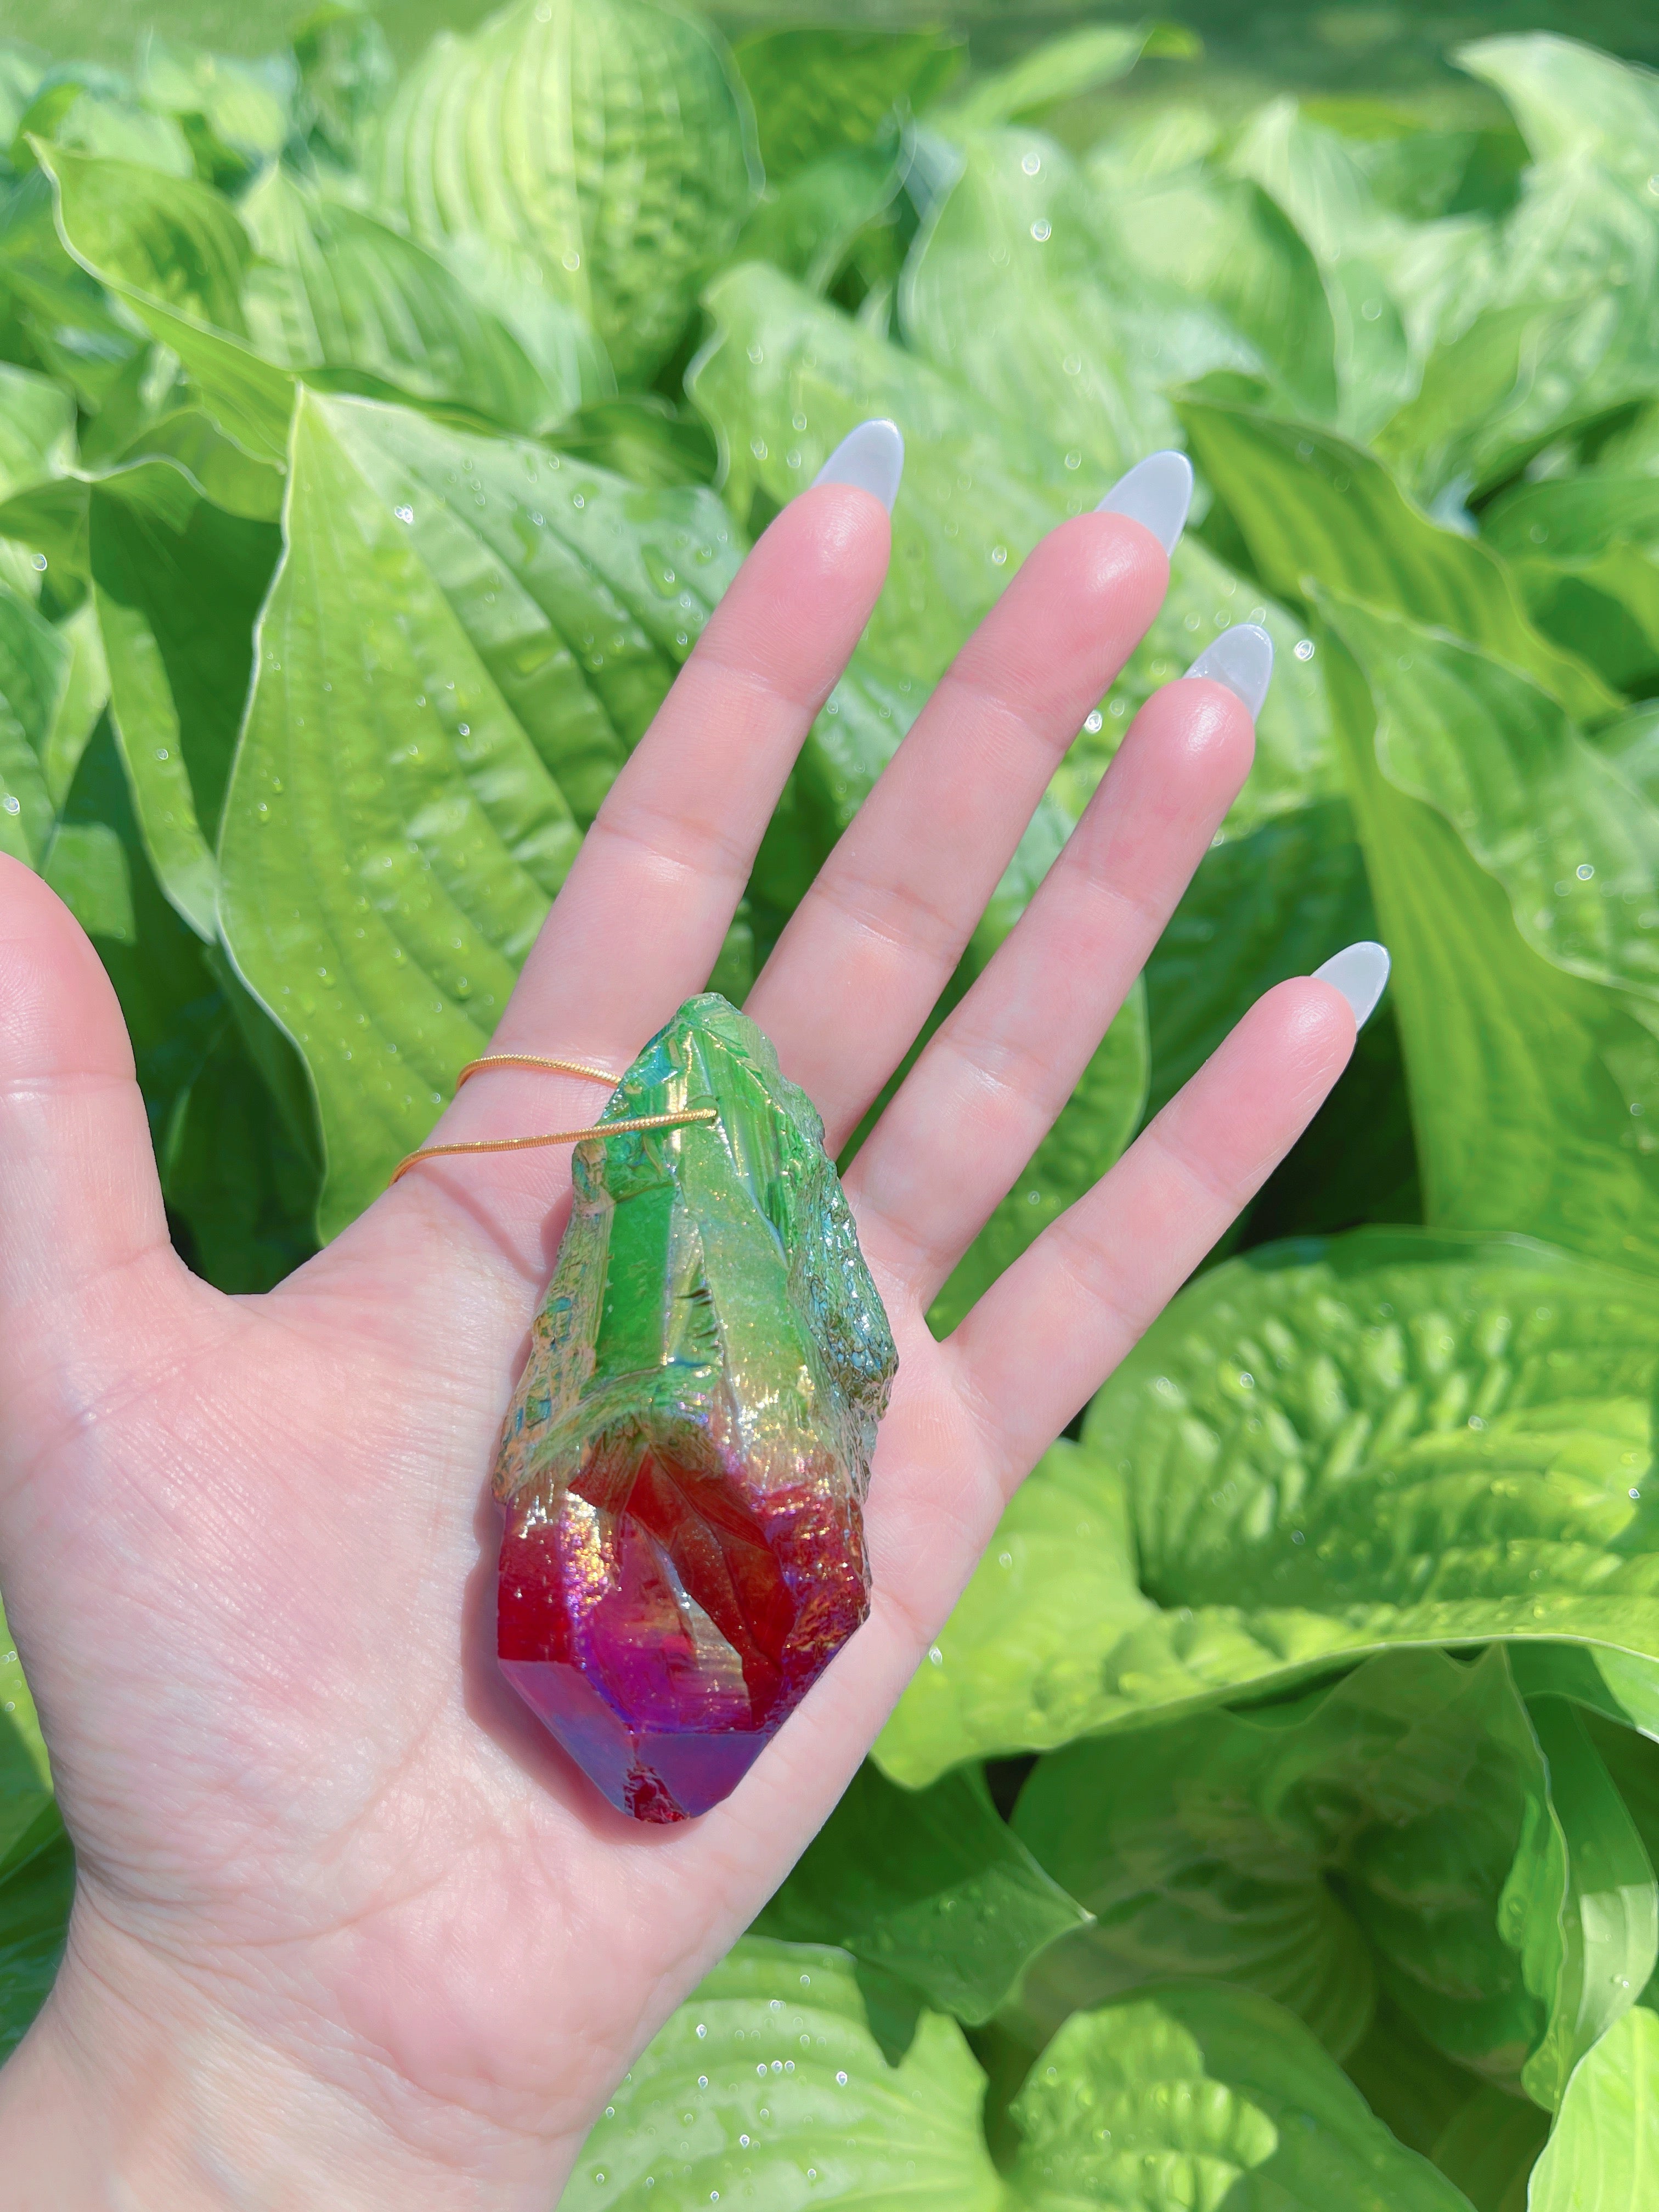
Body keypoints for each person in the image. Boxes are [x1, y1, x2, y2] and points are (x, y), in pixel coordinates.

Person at [0, 424, 1380, 2205]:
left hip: (674, 1651)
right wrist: (263, 2054)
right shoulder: (691, 1273)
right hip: (656, 1662)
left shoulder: (721, 1255)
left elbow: (829, 1374)